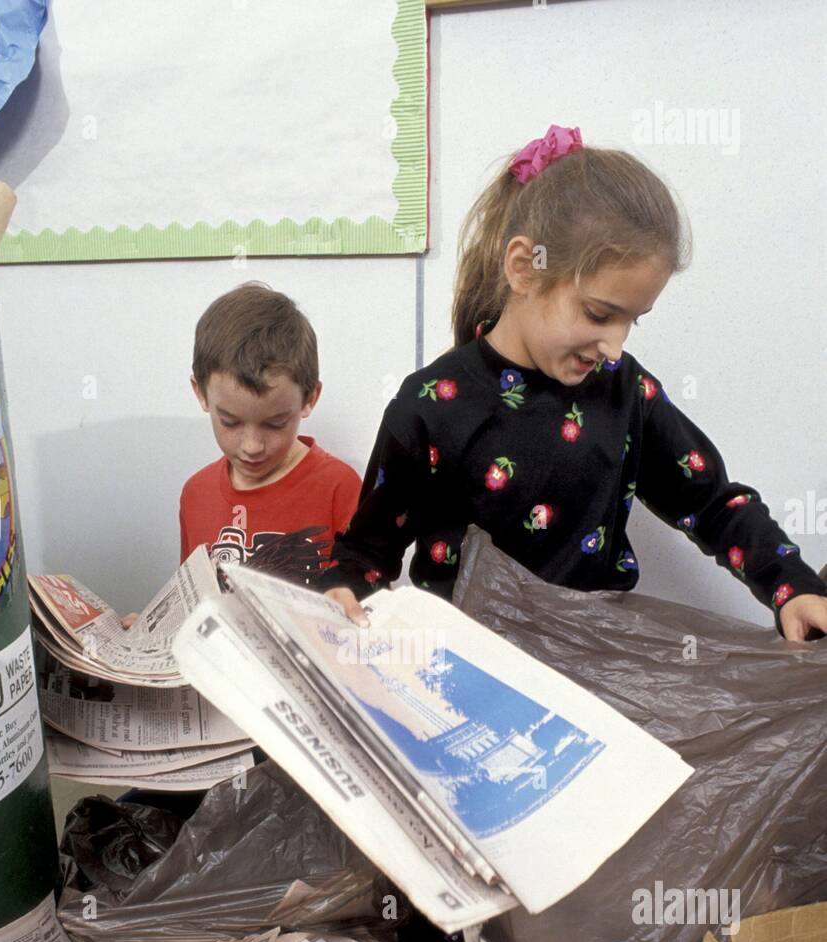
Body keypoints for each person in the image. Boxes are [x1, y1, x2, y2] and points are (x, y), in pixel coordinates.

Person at [321, 126, 827, 643]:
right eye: (599, 313)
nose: (614, 345)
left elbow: (716, 505)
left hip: (596, 666)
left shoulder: (625, 392)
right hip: (464, 674)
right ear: (524, 269)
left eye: (634, 320)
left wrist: (792, 585)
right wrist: (342, 592)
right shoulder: (429, 406)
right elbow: (366, 556)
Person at [122, 281, 360, 626]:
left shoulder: (339, 487)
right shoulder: (196, 493)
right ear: (200, 393)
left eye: (275, 424)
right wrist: (155, 628)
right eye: (230, 422)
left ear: (310, 398)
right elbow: (196, 604)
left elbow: (360, 605)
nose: (252, 446)